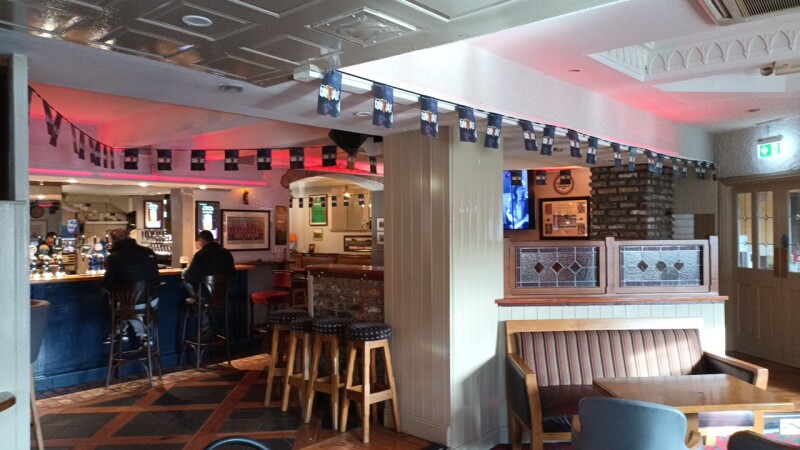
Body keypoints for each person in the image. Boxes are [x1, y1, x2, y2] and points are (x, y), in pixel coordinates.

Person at [103, 228, 160, 344]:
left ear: (112, 241)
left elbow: (107, 283)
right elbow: (156, 276)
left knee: (124, 303)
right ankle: (126, 332)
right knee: (129, 302)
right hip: (152, 300)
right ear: (129, 237)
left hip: (131, 304)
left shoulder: (114, 258)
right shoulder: (148, 252)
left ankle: (122, 331)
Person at [183, 230, 236, 335]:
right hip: (222, 296)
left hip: (204, 296)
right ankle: (213, 328)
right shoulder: (227, 253)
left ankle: (205, 324)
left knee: (184, 278)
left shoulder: (200, 255)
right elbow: (233, 275)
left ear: (202, 242)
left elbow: (189, 278)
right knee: (206, 299)